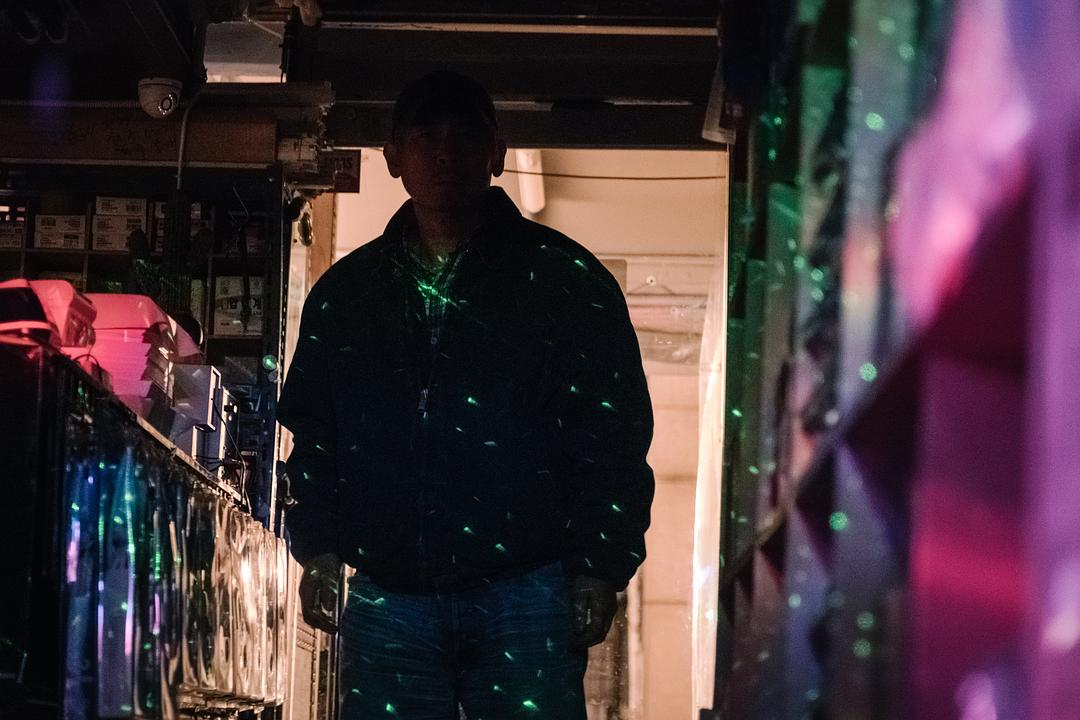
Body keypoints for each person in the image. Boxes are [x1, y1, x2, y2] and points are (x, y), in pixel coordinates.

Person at [276, 70, 655, 719]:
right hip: (391, 595)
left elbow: (613, 433)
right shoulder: (348, 296)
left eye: (465, 136)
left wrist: (601, 564)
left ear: (497, 152)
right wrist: (317, 551)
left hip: (528, 591)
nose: (445, 153)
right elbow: (316, 434)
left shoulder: (566, 282)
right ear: (393, 155)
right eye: (426, 137)